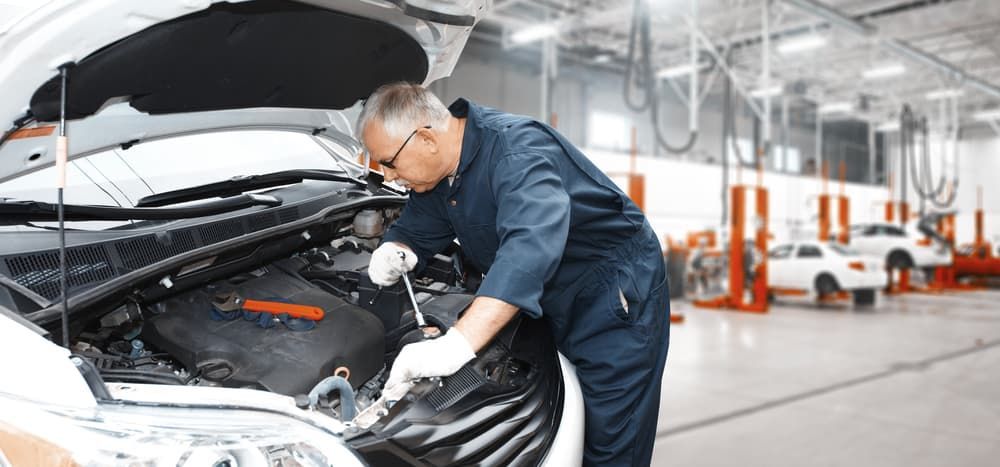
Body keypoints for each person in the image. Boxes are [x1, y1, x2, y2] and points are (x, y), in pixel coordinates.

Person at [357, 82, 670, 467]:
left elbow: (528, 248)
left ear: (425, 138)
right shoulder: (441, 173)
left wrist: (458, 344)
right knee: (569, 410)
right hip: (552, 290)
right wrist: (397, 248)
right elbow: (420, 225)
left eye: (389, 162)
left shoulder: (516, 151)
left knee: (611, 431)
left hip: (609, 288)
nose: (388, 177)